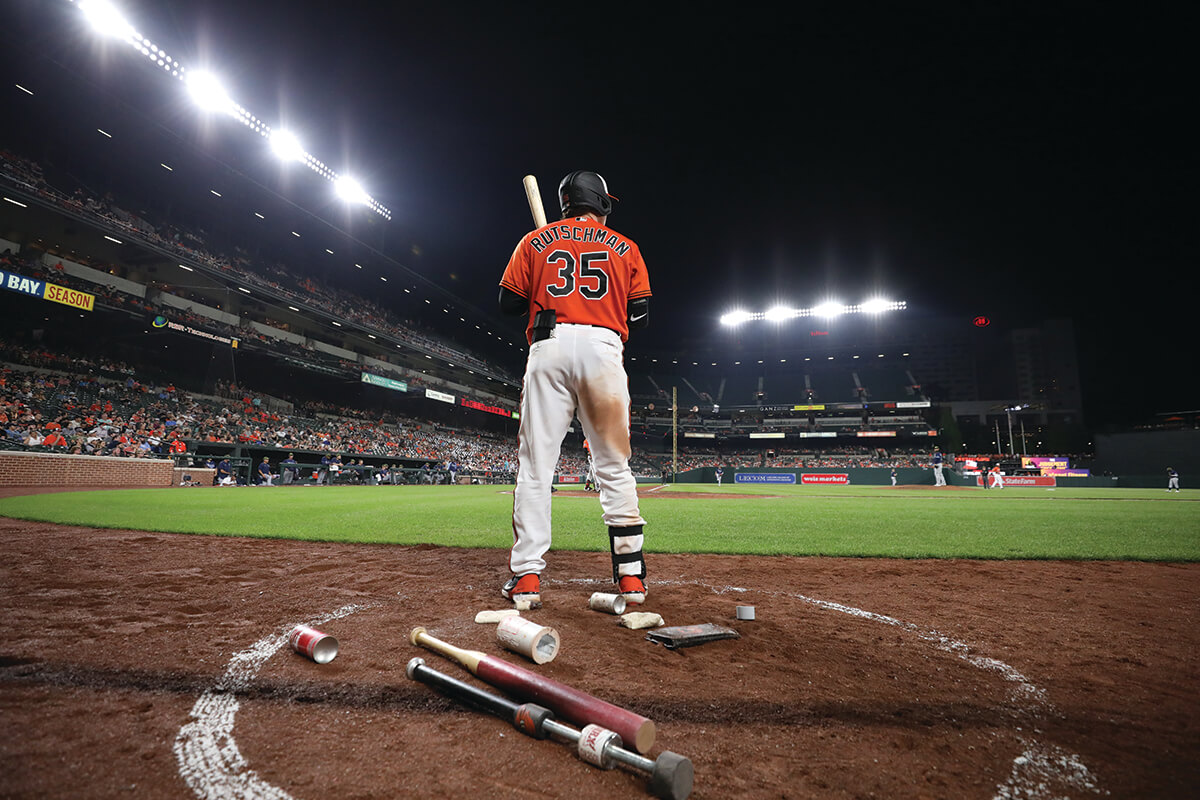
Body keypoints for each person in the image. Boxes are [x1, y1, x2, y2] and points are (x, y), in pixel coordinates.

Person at [498, 170, 651, 609]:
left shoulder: (536, 241)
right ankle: (631, 580)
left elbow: (508, 303)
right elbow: (640, 313)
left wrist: (541, 277)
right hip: (604, 349)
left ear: (565, 205)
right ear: (603, 204)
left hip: (550, 345)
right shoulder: (626, 247)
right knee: (614, 466)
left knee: (536, 468)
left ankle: (526, 579)